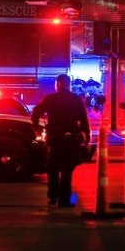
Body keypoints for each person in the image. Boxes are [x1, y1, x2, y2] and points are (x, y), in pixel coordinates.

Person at [31, 74, 91, 208]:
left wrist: (38, 129)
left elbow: (35, 113)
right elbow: (84, 121)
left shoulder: (50, 99)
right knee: (67, 171)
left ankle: (52, 197)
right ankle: (64, 200)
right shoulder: (76, 100)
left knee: (53, 170)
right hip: (70, 141)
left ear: (58, 84)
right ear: (68, 84)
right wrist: (87, 138)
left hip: (54, 140)